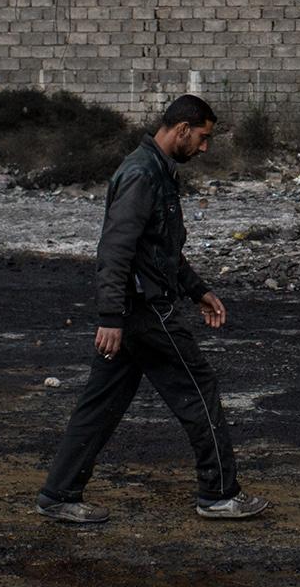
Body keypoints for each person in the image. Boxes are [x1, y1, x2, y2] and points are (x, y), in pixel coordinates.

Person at [37, 94, 266, 524]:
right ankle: (218, 494)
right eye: (202, 138)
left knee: (100, 404)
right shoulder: (143, 175)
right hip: (145, 313)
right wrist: (110, 318)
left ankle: (58, 494)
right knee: (200, 391)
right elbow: (115, 249)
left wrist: (197, 290)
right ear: (182, 130)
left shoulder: (156, 172)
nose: (204, 148)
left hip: (134, 313)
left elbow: (159, 250)